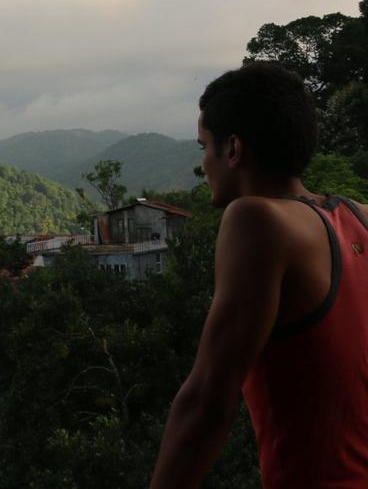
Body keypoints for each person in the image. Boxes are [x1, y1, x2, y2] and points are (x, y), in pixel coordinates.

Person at [149, 62, 368, 488]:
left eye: (203, 147)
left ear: (232, 150)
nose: (203, 166)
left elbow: (208, 399)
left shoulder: (257, 219)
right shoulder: (361, 217)